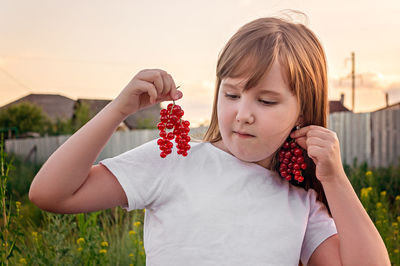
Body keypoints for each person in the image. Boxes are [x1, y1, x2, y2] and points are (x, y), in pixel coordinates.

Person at [29, 14, 391, 266]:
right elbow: (51, 194)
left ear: (302, 111)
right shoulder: (172, 159)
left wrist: (335, 178)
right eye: (231, 94)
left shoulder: (301, 200)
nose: (243, 113)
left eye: (266, 101)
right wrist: (116, 111)